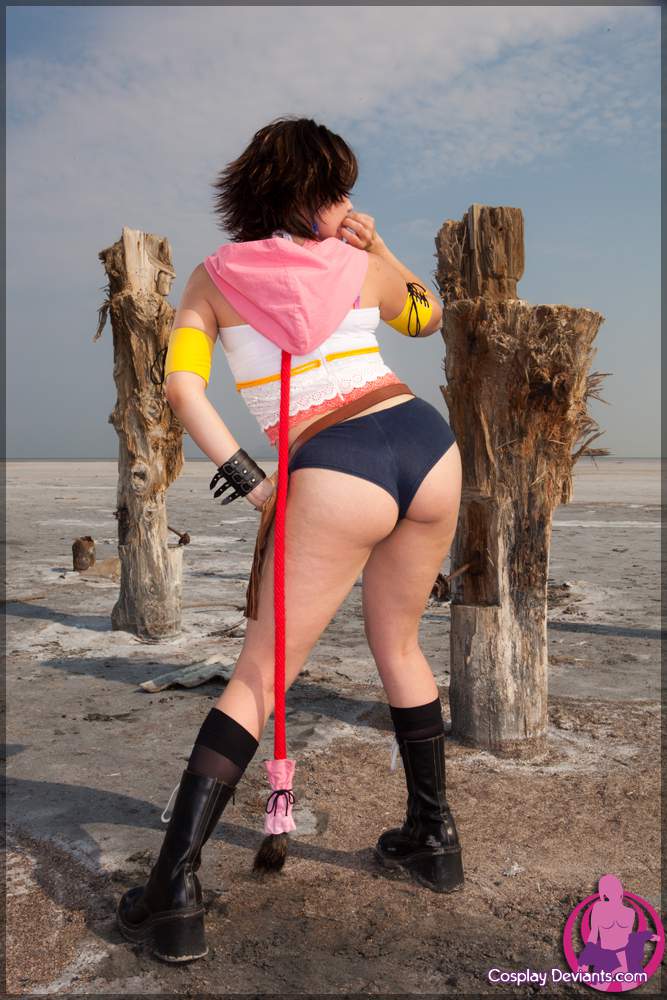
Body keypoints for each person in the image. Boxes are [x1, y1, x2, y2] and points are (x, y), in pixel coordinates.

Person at [116, 116, 464, 963]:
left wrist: (252, 480)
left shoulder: (212, 279)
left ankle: (173, 889)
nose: (346, 205)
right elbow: (426, 317)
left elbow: (181, 388)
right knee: (401, 648)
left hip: (334, 463)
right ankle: (434, 840)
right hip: (425, 444)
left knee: (259, 676)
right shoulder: (357, 265)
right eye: (337, 190)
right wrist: (378, 249)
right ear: (307, 196)